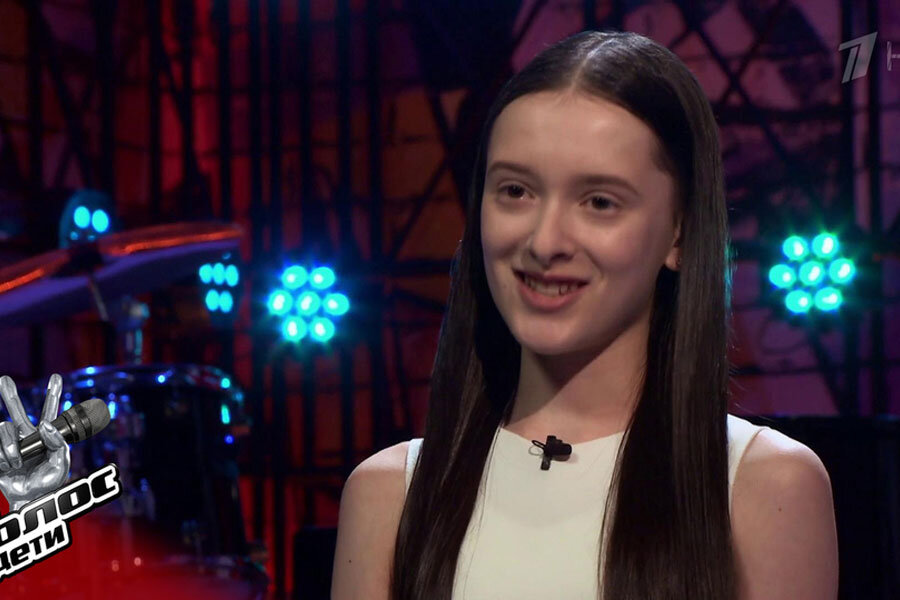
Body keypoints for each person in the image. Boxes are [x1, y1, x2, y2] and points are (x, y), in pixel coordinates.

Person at [332, 30, 838, 599]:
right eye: (516, 191)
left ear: (680, 232)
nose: (545, 242)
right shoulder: (389, 497)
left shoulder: (763, 487)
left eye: (599, 202)